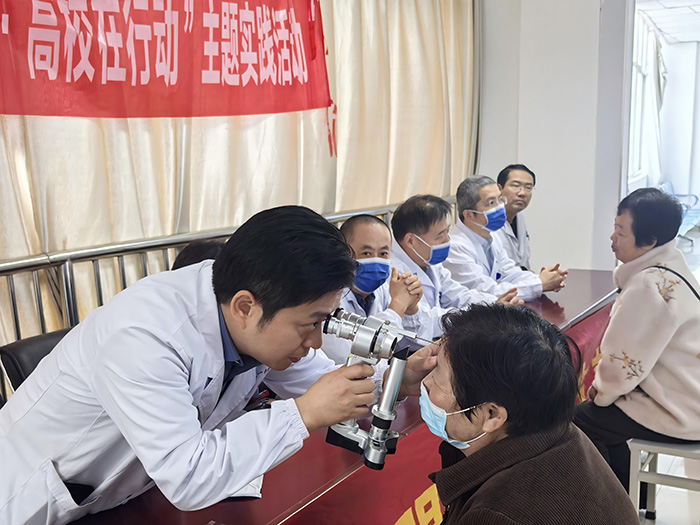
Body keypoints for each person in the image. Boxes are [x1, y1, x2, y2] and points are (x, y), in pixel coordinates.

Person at [0, 206, 436, 525]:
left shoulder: (248, 306)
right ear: (246, 307)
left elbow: (323, 382)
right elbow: (188, 476)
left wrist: (397, 382)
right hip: (31, 499)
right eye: (310, 324)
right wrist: (302, 414)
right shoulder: (144, 336)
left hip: (124, 492)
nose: (316, 341)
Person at [424, 304, 638, 524]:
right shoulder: (556, 431)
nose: (425, 382)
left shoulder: (496, 514)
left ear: (491, 415)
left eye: (437, 375)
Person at [574, 188, 700, 509]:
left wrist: (601, 393)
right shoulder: (671, 264)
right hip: (690, 394)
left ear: (649, 242)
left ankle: (609, 507)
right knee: (606, 416)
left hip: (682, 410)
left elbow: (622, 366)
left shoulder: (647, 285)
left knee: (580, 421)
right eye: (614, 227)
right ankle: (632, 495)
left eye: (620, 232)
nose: (612, 238)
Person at [389, 195, 521, 348]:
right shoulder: (395, 273)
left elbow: (457, 295)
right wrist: (481, 313)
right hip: (409, 351)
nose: (447, 240)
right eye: (440, 235)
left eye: (447, 231)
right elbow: (427, 320)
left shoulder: (426, 259)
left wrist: (493, 305)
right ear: (411, 241)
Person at [320, 214, 426, 365]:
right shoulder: (328, 298)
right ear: (344, 253)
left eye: (383, 254)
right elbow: (347, 355)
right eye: (366, 253)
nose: (376, 260)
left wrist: (411, 309)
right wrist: (397, 306)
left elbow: (414, 342)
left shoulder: (385, 288)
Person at [443, 176, 567, 303]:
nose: (500, 207)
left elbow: (510, 273)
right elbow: (486, 291)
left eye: (500, 199)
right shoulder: (454, 247)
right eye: (491, 203)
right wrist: (539, 284)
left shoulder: (492, 236)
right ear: (469, 215)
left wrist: (544, 279)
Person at [493, 164, 535, 269]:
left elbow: (522, 262)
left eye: (528, 188)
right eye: (516, 186)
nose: (522, 193)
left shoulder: (519, 218)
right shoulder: (487, 220)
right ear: (499, 189)